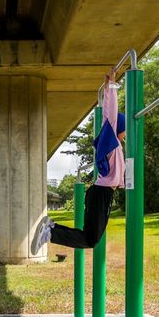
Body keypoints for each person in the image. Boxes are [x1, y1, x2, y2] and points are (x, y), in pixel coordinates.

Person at [32, 77, 126, 254]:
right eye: (125, 129)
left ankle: (52, 228)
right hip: (102, 193)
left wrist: (107, 91)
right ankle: (51, 232)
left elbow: (108, 116)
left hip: (100, 193)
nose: (125, 133)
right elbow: (111, 117)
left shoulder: (113, 146)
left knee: (90, 236)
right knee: (91, 239)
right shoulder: (111, 144)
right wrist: (112, 88)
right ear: (119, 130)